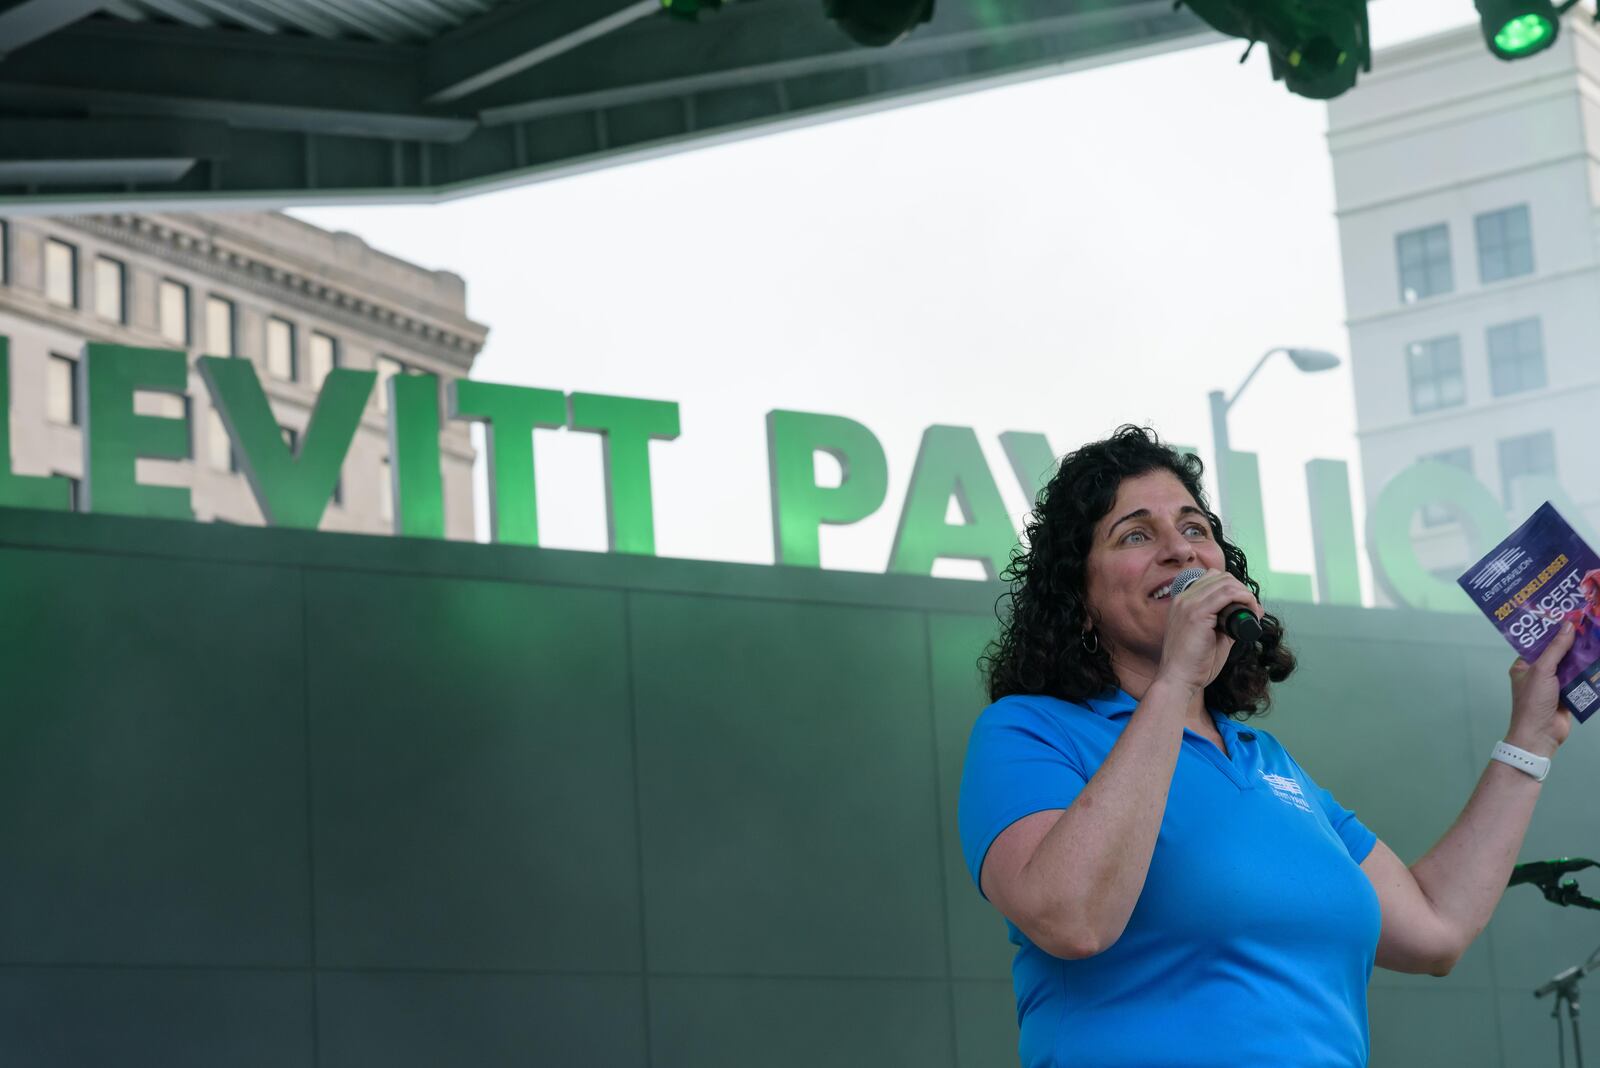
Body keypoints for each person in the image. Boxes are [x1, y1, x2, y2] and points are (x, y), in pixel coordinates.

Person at [957, 425, 1576, 1068]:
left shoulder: (1269, 763)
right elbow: (1072, 920)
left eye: (1196, 529)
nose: (1180, 551)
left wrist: (1530, 742)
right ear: (1079, 601)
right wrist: (1176, 681)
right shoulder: (1031, 732)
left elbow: (1435, 930)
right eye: (1136, 534)